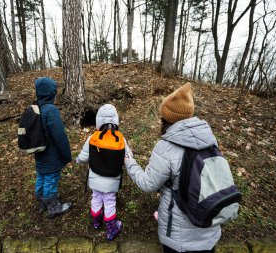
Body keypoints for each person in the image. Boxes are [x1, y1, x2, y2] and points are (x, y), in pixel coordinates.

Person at [124, 83, 220, 253]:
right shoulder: (210, 140)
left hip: (179, 238)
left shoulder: (166, 147)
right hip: (209, 229)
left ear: (167, 118)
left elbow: (148, 184)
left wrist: (129, 162)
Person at [76, 104, 129, 241]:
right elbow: (128, 157)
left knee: (96, 197)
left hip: (94, 178)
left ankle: (96, 222)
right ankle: (111, 228)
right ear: (116, 121)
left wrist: (78, 160)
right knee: (110, 201)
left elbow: (83, 158)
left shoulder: (92, 138)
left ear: (98, 122)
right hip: (113, 179)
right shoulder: (121, 139)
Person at [34, 77, 72, 218]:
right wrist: (67, 155)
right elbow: (59, 135)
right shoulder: (51, 110)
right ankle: (53, 206)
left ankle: (42, 200)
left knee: (41, 176)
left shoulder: (36, 108)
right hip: (51, 155)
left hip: (39, 153)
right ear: (52, 93)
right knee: (51, 178)